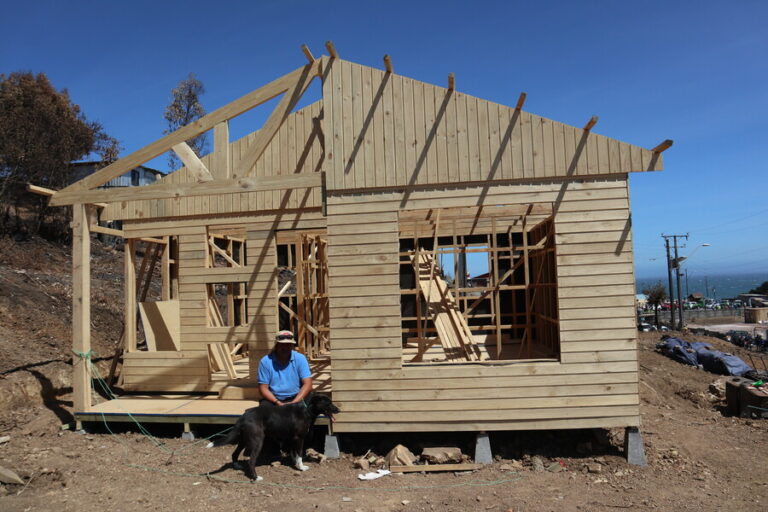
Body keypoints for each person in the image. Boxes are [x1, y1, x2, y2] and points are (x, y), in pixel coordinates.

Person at [257, 330, 313, 407]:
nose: (285, 348)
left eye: (288, 345)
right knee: (264, 412)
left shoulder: (300, 358)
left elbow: (308, 384)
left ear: (292, 346)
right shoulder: (266, 361)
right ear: (276, 346)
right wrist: (277, 402)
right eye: (282, 345)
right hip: (274, 399)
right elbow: (263, 388)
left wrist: (294, 402)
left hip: (297, 397)